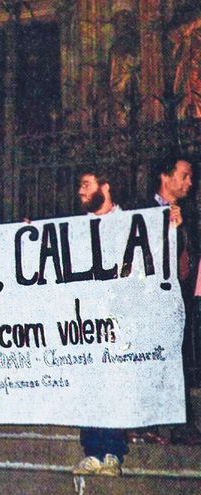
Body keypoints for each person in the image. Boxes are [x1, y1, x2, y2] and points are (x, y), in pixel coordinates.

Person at [134, 156, 201, 446]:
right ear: (165, 176)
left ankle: (181, 425)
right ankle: (144, 425)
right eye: (184, 175)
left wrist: (181, 231)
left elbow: (192, 260)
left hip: (174, 301)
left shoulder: (188, 215)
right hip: (145, 301)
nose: (190, 182)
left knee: (177, 359)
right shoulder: (140, 209)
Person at [72, 168, 128, 477]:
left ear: (105, 187)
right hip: (88, 319)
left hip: (119, 316)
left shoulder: (129, 223)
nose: (80, 191)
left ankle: (112, 453)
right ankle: (92, 451)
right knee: (91, 384)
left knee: (115, 384)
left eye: (86, 185)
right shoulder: (78, 227)